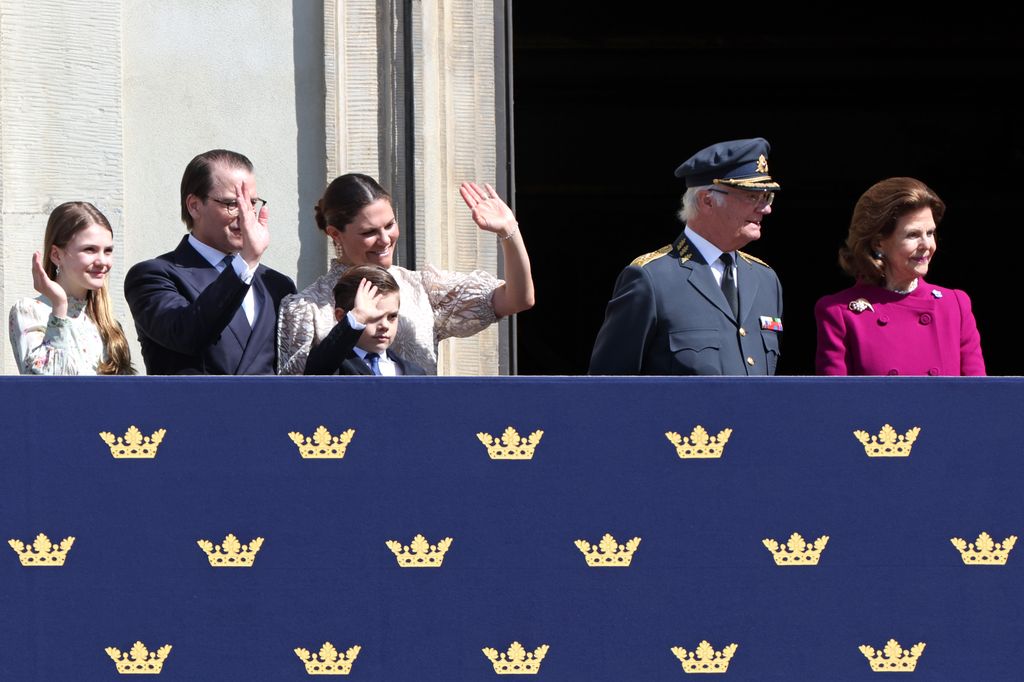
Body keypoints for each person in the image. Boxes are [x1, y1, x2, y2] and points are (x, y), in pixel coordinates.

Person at [277, 174, 534, 374]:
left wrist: (509, 231)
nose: (385, 239)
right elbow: (293, 391)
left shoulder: (422, 288)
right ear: (335, 234)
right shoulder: (307, 308)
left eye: (390, 225)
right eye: (369, 232)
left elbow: (518, 299)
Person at [589, 137, 783, 375]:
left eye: (766, 197)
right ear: (707, 200)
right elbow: (607, 387)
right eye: (752, 196)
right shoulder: (651, 278)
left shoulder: (765, 279)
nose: (766, 208)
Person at [124, 149, 296, 374]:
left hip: (264, 408)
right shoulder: (154, 275)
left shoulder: (276, 285)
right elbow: (186, 334)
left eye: (252, 203)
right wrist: (246, 260)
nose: (246, 216)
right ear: (195, 206)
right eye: (232, 204)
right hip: (194, 408)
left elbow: (296, 367)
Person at [815, 177, 985, 376]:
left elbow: (977, 396)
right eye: (913, 235)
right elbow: (837, 402)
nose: (927, 245)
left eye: (930, 233)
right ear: (879, 243)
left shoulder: (954, 305)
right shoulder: (840, 312)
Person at [9, 202, 134, 375]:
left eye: (107, 251)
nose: (102, 262)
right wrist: (59, 306)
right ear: (56, 255)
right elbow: (45, 384)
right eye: (89, 250)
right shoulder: (29, 311)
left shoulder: (110, 326)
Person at [304, 265, 425, 376]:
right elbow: (316, 371)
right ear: (341, 317)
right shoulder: (333, 364)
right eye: (372, 317)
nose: (384, 325)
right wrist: (358, 316)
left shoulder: (415, 373)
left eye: (392, 316)